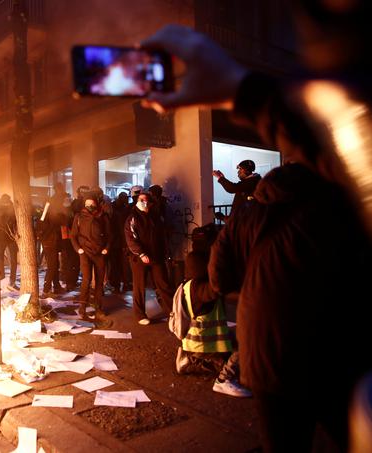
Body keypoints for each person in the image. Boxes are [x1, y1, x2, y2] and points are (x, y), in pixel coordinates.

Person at [141, 17, 372, 452]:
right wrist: (242, 92)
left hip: (270, 354)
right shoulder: (342, 198)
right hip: (336, 353)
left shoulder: (250, 211)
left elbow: (222, 276)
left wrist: (241, 91)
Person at [175, 251, 251, 398]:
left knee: (229, 357)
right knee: (245, 343)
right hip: (204, 342)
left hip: (194, 340)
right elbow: (220, 289)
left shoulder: (187, 284)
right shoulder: (202, 289)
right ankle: (224, 380)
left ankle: (189, 359)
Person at [124, 192, 174, 325]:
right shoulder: (132, 218)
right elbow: (131, 238)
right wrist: (141, 253)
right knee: (139, 286)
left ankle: (171, 312)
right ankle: (140, 315)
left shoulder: (156, 217)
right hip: (139, 259)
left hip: (156, 256)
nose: (144, 202)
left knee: (163, 284)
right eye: (141, 200)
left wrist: (165, 253)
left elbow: (162, 237)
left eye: (146, 200)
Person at [70, 194, 110, 319]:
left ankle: (98, 308)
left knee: (99, 282)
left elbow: (110, 235)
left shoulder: (103, 216)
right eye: (87, 204)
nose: (90, 206)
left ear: (96, 204)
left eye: (92, 204)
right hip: (85, 253)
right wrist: (78, 249)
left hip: (99, 253)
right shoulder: (79, 217)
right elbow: (73, 235)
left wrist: (106, 248)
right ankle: (82, 308)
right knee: (86, 280)